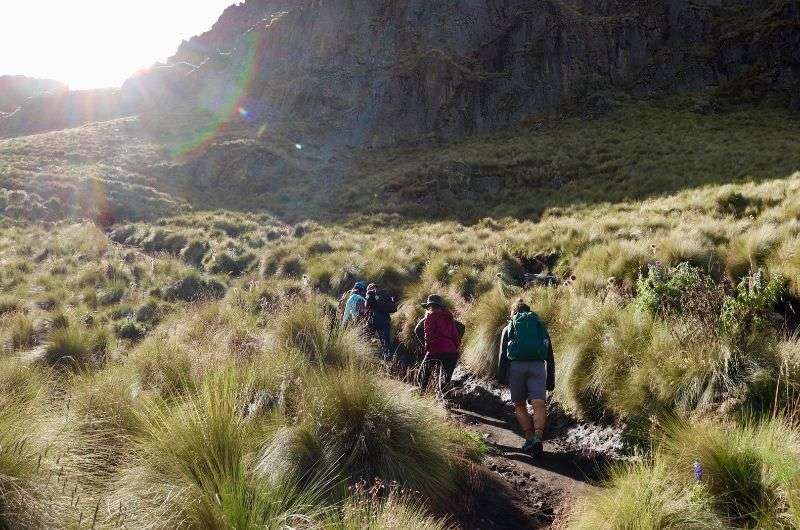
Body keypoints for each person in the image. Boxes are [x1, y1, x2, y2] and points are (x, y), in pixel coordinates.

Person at [498, 301, 555, 457]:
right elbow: (549, 355)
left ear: (513, 312)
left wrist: (501, 377)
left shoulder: (509, 327)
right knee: (539, 403)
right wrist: (551, 380)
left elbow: (503, 355)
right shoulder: (539, 326)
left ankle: (529, 437)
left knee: (519, 404)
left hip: (516, 368)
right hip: (538, 366)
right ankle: (538, 436)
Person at [414, 294, 465, 393]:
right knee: (445, 380)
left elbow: (417, 330)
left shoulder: (428, 317)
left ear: (429, 307)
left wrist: (426, 345)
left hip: (434, 350)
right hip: (451, 352)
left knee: (422, 376)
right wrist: (454, 346)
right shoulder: (449, 318)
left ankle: (422, 395)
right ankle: (445, 402)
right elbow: (461, 328)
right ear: (441, 307)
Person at [365, 283, 398, 361]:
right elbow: (393, 309)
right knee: (386, 342)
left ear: (370, 288)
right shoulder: (386, 294)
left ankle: (369, 357)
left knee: (367, 338)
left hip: (373, 321)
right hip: (385, 321)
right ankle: (388, 359)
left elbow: (366, 304)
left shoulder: (370, 293)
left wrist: (369, 295)